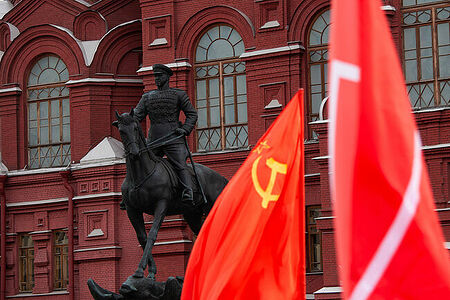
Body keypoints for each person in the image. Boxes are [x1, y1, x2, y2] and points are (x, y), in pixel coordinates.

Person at [133, 64, 198, 204]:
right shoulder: (147, 97)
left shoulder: (178, 95)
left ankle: (188, 191)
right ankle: (132, 192)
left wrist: (185, 129)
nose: (157, 79)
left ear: (167, 77)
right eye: (155, 76)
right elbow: (136, 117)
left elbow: (192, 114)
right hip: (153, 139)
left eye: (160, 76)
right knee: (139, 163)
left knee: (180, 164)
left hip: (173, 138)